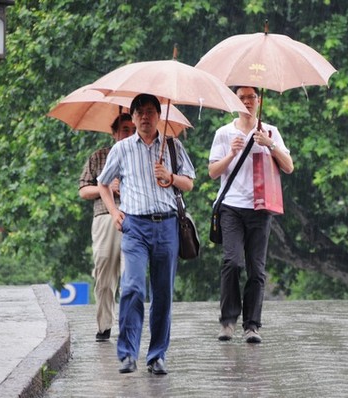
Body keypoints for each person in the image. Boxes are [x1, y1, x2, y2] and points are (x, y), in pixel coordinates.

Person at [97, 93, 195, 375]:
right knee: (133, 288)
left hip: (167, 225)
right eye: (138, 112)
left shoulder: (172, 146)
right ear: (132, 116)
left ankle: (157, 356)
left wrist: (170, 177)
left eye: (150, 111)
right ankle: (128, 353)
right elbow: (103, 184)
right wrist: (115, 212)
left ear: (159, 115)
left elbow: (189, 182)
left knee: (163, 293)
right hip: (135, 227)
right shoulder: (122, 149)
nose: (144, 116)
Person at [208, 86, 294, 343]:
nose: (246, 102)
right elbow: (213, 172)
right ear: (235, 101)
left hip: (260, 207)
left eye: (251, 97)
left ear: (258, 100)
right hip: (231, 207)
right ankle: (228, 321)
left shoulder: (270, 131)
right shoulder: (224, 133)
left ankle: (252, 325)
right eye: (241, 98)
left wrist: (270, 145)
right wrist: (232, 153)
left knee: (257, 269)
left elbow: (288, 166)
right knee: (232, 262)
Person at [78, 113, 134, 343]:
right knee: (104, 270)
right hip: (104, 217)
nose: (128, 134)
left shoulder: (142, 154)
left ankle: (130, 325)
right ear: (114, 132)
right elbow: (83, 190)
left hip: (134, 215)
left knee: (130, 273)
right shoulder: (100, 156)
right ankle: (104, 325)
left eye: (132, 129)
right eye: (124, 129)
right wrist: (106, 187)